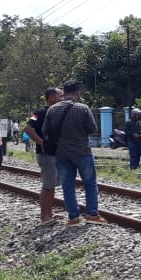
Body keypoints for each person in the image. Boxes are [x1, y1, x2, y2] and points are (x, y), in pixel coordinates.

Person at [42, 80, 107, 225]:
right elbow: (92, 129)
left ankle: (73, 217)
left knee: (67, 185)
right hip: (82, 151)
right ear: (77, 93)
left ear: (64, 93)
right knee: (89, 183)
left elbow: (45, 130)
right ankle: (92, 214)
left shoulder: (52, 110)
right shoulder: (83, 108)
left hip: (62, 154)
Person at [25, 87, 62, 225]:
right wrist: (41, 143)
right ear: (51, 97)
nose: (62, 98)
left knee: (51, 185)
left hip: (55, 153)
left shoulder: (57, 111)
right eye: (60, 96)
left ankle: (50, 214)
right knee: (47, 185)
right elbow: (28, 128)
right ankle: (44, 217)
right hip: (46, 154)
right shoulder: (39, 113)